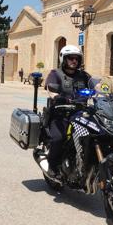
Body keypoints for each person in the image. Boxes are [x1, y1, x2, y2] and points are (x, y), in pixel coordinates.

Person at [44, 45, 91, 178]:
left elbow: (96, 84)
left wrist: (109, 92)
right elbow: (50, 89)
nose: (74, 61)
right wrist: (57, 97)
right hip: (61, 115)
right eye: (70, 58)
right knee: (59, 138)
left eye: (77, 58)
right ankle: (52, 165)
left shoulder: (84, 75)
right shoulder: (55, 74)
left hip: (80, 114)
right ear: (63, 59)